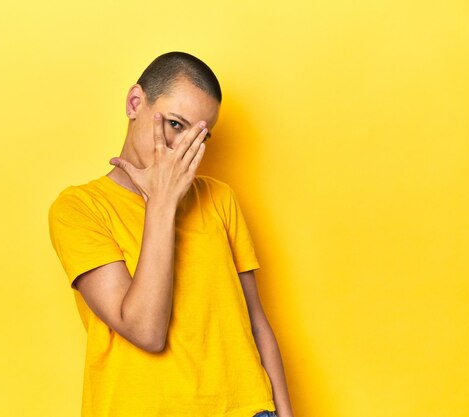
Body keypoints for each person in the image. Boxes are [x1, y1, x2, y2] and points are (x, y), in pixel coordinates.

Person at [48, 51, 294, 417]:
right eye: (176, 125)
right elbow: (146, 330)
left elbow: (257, 323)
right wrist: (161, 202)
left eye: (200, 136)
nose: (183, 149)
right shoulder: (80, 208)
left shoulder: (219, 198)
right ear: (135, 103)